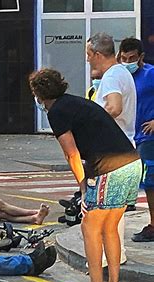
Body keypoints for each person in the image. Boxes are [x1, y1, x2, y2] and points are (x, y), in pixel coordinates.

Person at [29, 68, 142, 282]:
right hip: (131, 162)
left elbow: (71, 154)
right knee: (109, 227)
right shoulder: (76, 103)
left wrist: (83, 187)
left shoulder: (57, 111)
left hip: (109, 168)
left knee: (90, 226)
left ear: (39, 94)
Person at [87, 32, 138, 264]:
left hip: (111, 153)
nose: (88, 60)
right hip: (125, 151)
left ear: (98, 54)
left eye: (89, 55)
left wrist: (91, 122)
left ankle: (107, 259)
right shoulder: (122, 73)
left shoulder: (111, 77)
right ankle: (117, 255)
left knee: (104, 209)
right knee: (116, 209)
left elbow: (114, 107)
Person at [119, 37, 154, 242]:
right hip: (132, 137)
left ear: (141, 57)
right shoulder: (121, 75)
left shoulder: (150, 74)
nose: (128, 61)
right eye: (124, 57)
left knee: (151, 184)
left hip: (149, 136)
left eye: (132, 58)